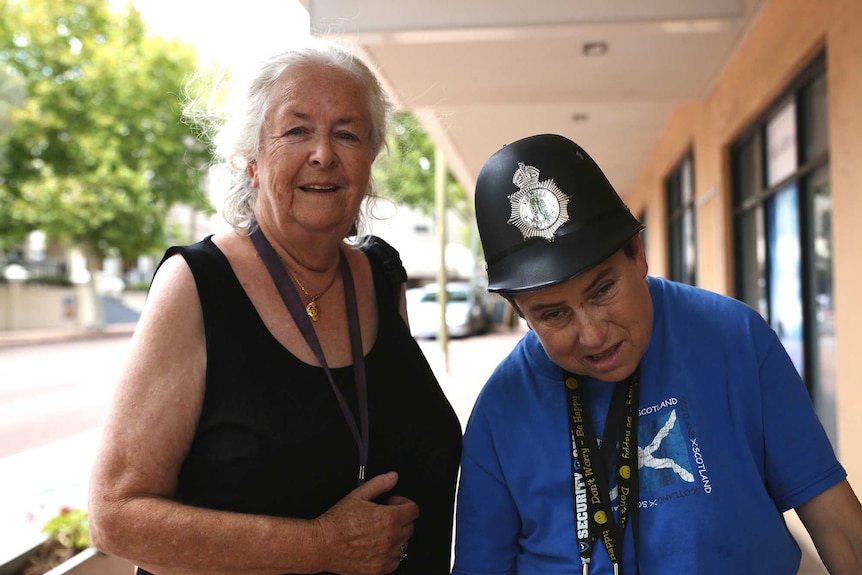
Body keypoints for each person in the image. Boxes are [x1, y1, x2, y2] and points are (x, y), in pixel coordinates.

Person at [88, 41, 462, 575]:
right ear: (252, 158)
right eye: (297, 130)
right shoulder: (198, 285)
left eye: (347, 133)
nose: (323, 154)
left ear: (371, 159)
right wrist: (321, 546)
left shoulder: (382, 277)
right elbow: (115, 516)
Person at [452, 133, 862, 574]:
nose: (591, 335)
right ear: (521, 314)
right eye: (553, 315)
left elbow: (837, 525)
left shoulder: (734, 338)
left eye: (603, 289)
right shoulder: (500, 408)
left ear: (638, 255)